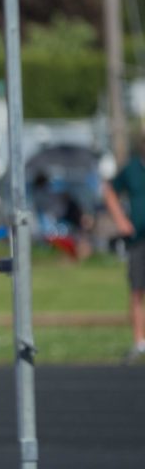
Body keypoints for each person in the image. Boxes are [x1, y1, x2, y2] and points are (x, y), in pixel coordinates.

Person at [102, 137, 145, 365]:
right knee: (137, 289)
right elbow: (109, 190)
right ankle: (139, 343)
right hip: (138, 239)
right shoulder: (132, 170)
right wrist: (120, 220)